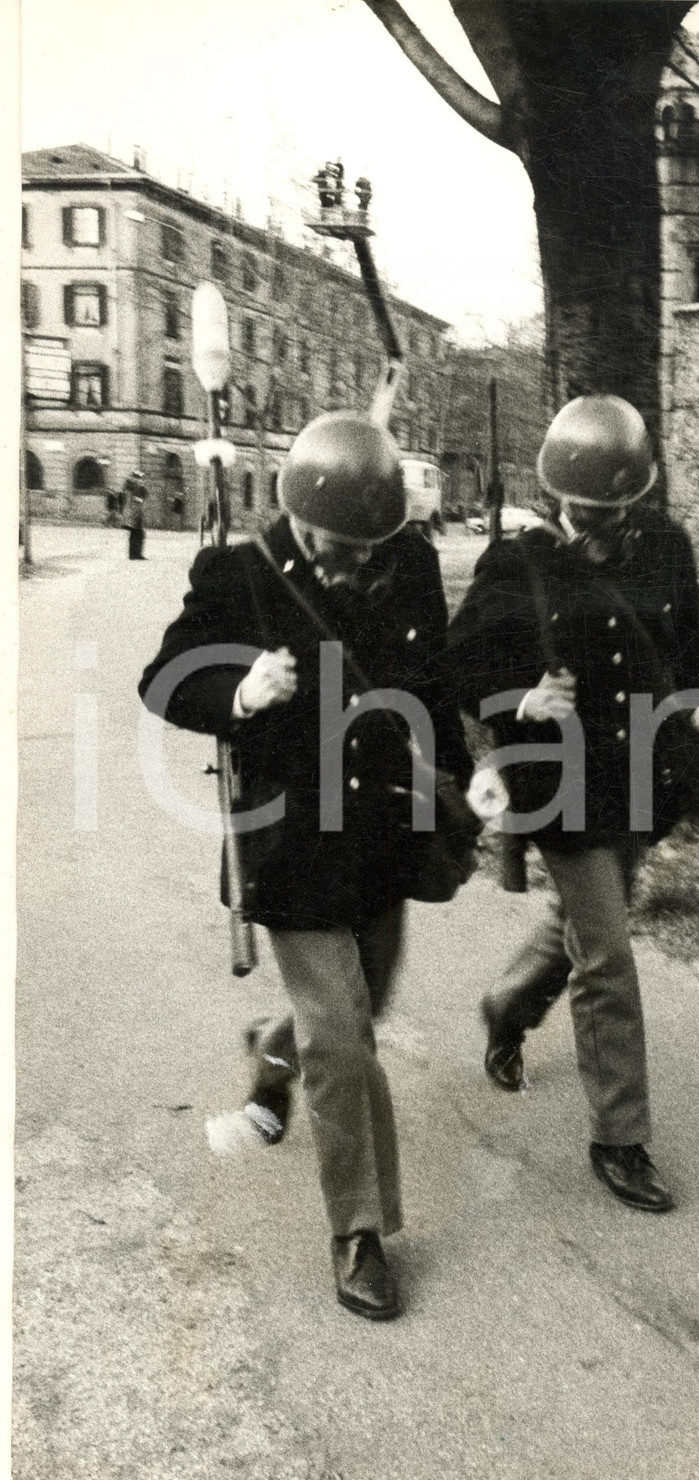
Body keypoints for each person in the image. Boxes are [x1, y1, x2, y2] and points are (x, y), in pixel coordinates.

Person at [139, 412, 472, 1319]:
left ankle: (270, 1049)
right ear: (298, 515)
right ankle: (359, 1231)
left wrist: (461, 783)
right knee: (343, 1035)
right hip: (290, 842)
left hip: (384, 834)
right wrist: (240, 689)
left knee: (357, 1010)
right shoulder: (238, 573)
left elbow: (433, 688)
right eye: (333, 546)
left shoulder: (404, 564)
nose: (350, 563)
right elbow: (165, 678)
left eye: (367, 548)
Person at [448, 395, 699, 1214]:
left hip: (644, 771)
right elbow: (457, 669)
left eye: (620, 507)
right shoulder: (518, 563)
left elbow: (692, 658)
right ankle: (621, 1137)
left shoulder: (665, 548)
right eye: (590, 508)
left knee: (588, 922)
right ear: (558, 496)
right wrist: (520, 697)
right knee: (607, 954)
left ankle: (506, 1005)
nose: (607, 521)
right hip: (561, 783)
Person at [122, 472, 146, 559]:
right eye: (140, 478)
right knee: (138, 534)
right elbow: (139, 497)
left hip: (134, 513)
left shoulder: (130, 486)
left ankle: (134, 554)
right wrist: (141, 487)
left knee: (136, 534)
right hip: (134, 513)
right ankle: (135, 554)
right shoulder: (134, 487)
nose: (141, 480)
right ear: (136, 478)